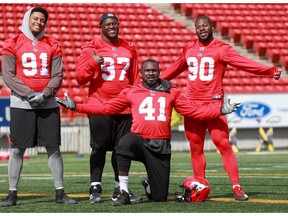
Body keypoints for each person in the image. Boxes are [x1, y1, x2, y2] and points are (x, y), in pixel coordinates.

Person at [56, 59, 240, 206]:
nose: (151, 73)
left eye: (154, 70)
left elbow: (193, 111)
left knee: (159, 197)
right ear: (141, 74)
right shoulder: (132, 91)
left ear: (159, 72)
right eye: (147, 71)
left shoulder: (172, 91)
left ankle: (149, 184)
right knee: (124, 143)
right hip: (139, 141)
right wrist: (77, 107)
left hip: (160, 145)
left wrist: (221, 111)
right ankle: (123, 191)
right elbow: (106, 108)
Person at [160, 15, 283, 201]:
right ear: (195, 29)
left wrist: (268, 70)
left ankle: (237, 187)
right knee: (195, 147)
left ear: (211, 27)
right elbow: (175, 68)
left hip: (214, 104)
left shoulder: (222, 48)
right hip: (192, 105)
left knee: (223, 144)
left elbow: (244, 63)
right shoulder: (189, 47)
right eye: (198, 26)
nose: (201, 29)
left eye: (205, 26)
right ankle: (200, 187)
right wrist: (152, 82)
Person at [1, 6, 77, 207]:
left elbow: (58, 74)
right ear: (27, 19)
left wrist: (44, 94)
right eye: (35, 18)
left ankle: (60, 192)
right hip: (21, 104)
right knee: (17, 148)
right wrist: (28, 94)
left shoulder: (52, 43)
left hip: (48, 103)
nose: (39, 22)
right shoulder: (12, 42)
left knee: (54, 148)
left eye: (42, 20)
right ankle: (12, 193)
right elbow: (8, 74)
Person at [74, 13, 141, 203]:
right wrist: (92, 62)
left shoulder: (129, 47)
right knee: (99, 147)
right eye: (107, 24)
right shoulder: (91, 47)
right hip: (99, 104)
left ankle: (120, 188)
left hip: (124, 107)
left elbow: (135, 78)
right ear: (101, 27)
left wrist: (135, 102)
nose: (112, 26)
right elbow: (80, 78)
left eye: (115, 23)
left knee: (122, 149)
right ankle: (95, 186)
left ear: (119, 25)